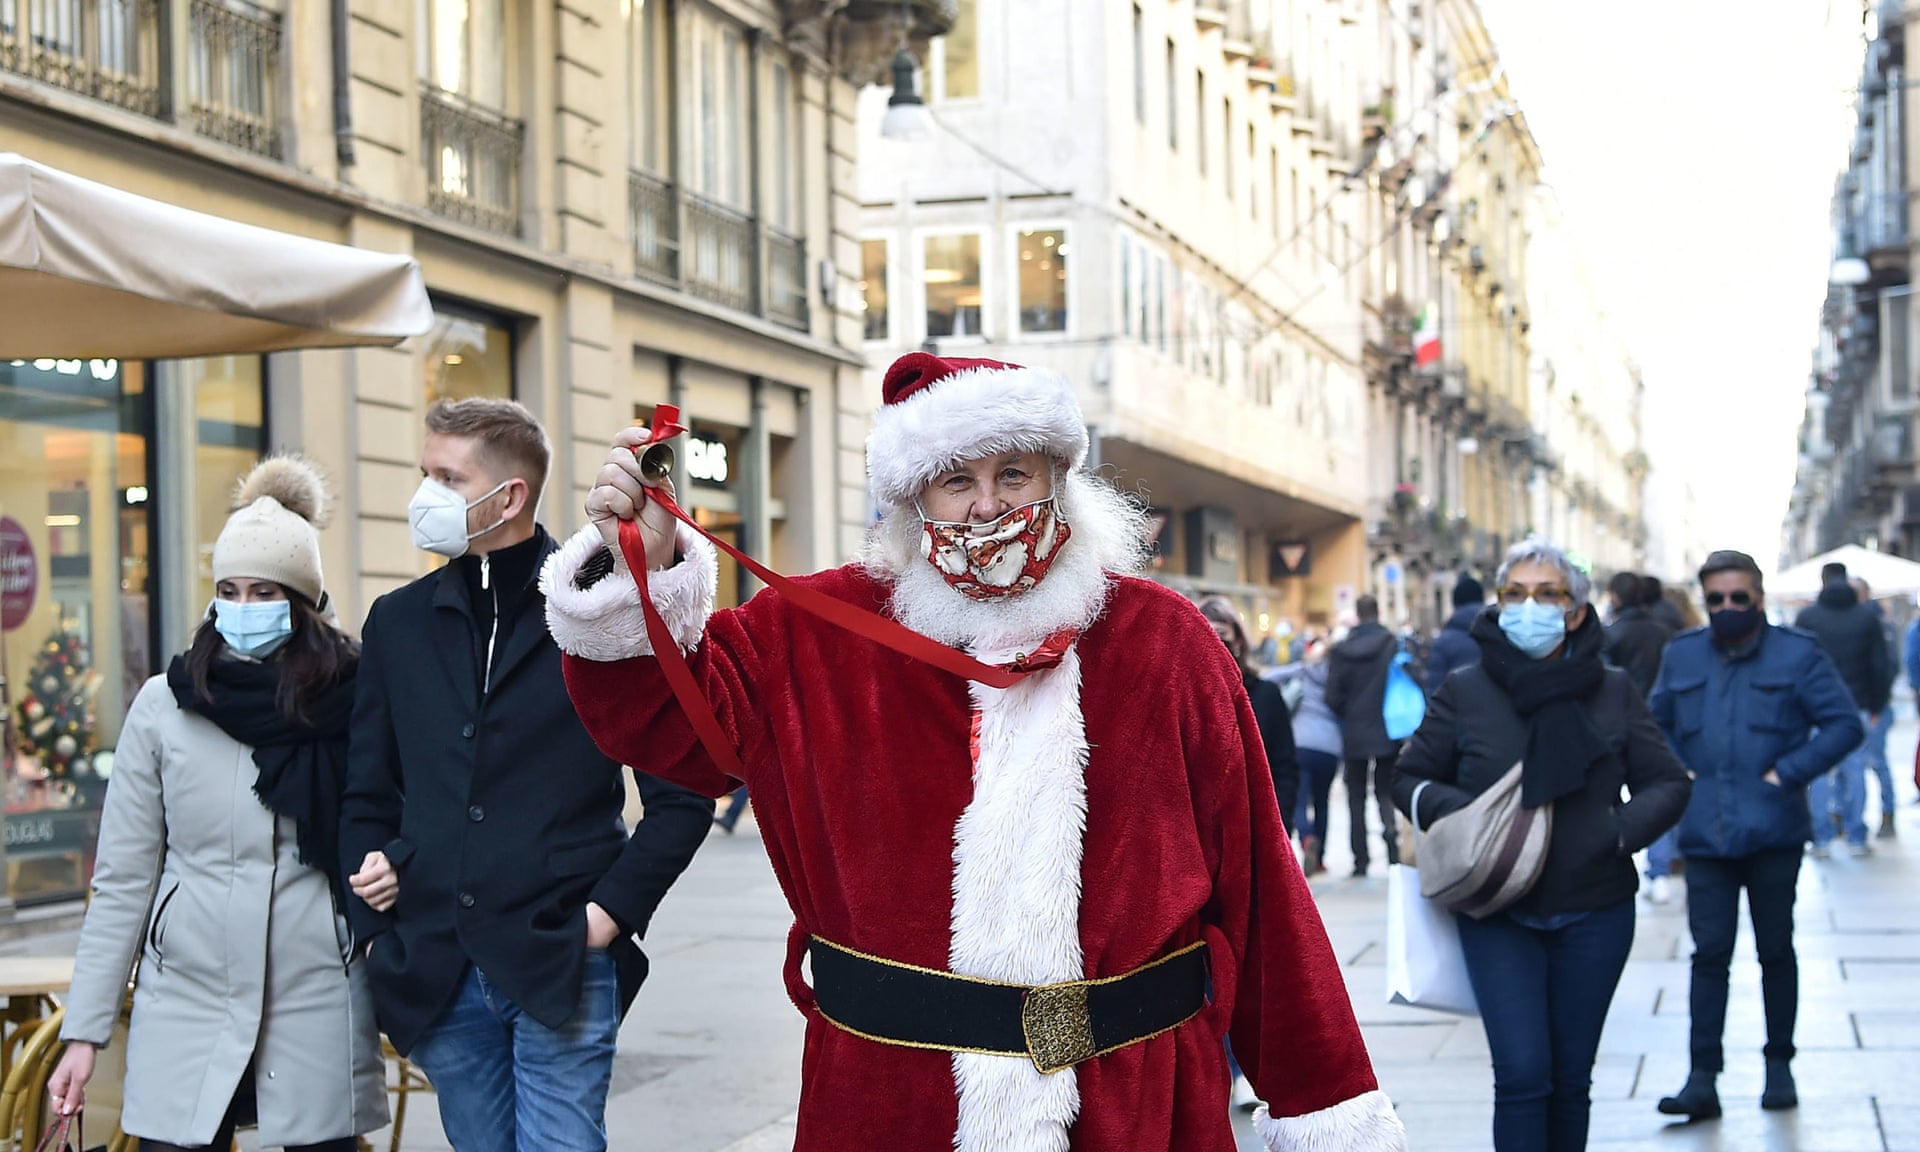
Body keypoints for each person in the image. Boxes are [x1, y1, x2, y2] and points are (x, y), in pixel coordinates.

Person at [545, 352, 1406, 1151]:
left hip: (1134, 1107)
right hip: (890, 1103)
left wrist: (1322, 1100)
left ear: (1060, 480)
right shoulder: (812, 633)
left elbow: (1261, 889)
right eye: (957, 481)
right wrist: (639, 576)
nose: (988, 506)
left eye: (1013, 474)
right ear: (913, 499)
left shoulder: (1164, 639)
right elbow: (664, 727)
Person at [339, 398, 714, 1152]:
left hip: (559, 964)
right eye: (425, 473)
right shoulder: (397, 621)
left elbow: (684, 794)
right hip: (436, 970)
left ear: (507, 496)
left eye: (446, 477)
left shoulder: (593, 612)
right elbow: (366, 795)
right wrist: (376, 924)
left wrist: (601, 921)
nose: (424, 494)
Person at [49, 458, 388, 1151]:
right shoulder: (165, 705)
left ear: (302, 602)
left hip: (316, 989)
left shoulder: (356, 700)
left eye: (265, 590)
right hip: (186, 996)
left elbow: (400, 820)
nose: (243, 606)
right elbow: (121, 880)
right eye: (229, 589)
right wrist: (84, 1032)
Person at [1393, 538, 1691, 1152]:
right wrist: (1467, 817)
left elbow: (1668, 781)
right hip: (1498, 910)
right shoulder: (1466, 689)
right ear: (1499, 605)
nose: (1530, 607)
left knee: (1569, 1080)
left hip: (1596, 909)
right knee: (1523, 1075)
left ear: (1576, 610)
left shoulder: (1612, 691)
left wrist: (1618, 833)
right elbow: (1402, 776)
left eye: (1547, 594)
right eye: (1515, 594)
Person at [1649, 550, 1863, 1121]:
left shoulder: (1798, 654)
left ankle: (1778, 1066)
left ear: (1759, 599)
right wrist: (1680, 771)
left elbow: (1843, 724)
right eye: (1715, 599)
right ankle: (1702, 1078)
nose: (1727, 608)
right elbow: (1654, 722)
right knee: (1709, 955)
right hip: (1705, 834)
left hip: (1774, 830)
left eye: (1738, 598)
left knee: (1776, 951)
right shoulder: (1683, 654)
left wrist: (1788, 772)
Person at [1793, 561, 1892, 858]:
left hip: (1816, 707)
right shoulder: (1866, 617)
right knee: (1855, 769)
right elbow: (1880, 665)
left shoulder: (1808, 617)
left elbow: (1794, 666)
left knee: (1819, 774)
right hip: (1857, 704)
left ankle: (1821, 837)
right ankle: (1856, 834)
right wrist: (1877, 703)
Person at [1603, 570, 1681, 903]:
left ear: (1616, 597)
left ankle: (1653, 864)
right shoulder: (1665, 633)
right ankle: (1662, 865)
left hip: (1623, 723)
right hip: (1664, 720)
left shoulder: (1611, 635)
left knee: (1624, 796)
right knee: (1662, 790)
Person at [1201, 596, 1301, 832]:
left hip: (1255, 826)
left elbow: (1284, 764)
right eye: (1206, 633)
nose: (1216, 642)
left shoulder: (1265, 694)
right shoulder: (1183, 697)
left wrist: (1280, 825)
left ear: (1238, 640)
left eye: (1221, 633)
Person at [1327, 594, 1408, 878]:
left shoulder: (1341, 650)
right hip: (1387, 728)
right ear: (1379, 611)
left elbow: (1332, 695)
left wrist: (1349, 713)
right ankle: (1393, 853)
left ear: (1358, 615)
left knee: (1356, 795)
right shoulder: (1392, 644)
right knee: (1385, 791)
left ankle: (1360, 859)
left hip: (1354, 731)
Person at [1268, 640, 1343, 876]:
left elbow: (1269, 677)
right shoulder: (1339, 678)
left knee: (1300, 800)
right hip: (1329, 746)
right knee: (1322, 802)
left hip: (1301, 741)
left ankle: (1307, 837)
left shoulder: (1303, 670)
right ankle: (1319, 859)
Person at [1850, 577, 1898, 839]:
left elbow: (1888, 666)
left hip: (1874, 707)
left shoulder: (1877, 622)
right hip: (1864, 704)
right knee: (1854, 765)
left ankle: (1888, 814)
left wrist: (1878, 705)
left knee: (1875, 762)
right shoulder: (1855, 620)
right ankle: (1849, 818)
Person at [1425, 574, 1486, 692]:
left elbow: (1435, 688)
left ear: (1455, 604)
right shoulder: (1500, 632)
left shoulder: (1444, 641)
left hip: (1459, 706)